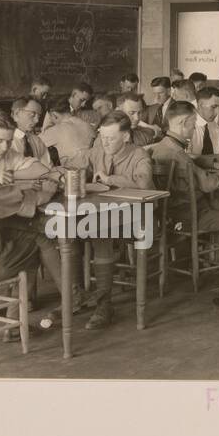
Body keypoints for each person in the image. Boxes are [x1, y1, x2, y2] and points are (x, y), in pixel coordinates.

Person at [150, 102, 219, 270]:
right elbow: (209, 184)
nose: (195, 128)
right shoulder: (178, 154)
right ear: (182, 123)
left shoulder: (164, 146)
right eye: (193, 123)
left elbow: (191, 160)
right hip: (194, 215)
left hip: (191, 208)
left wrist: (212, 161)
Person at [80, 112, 156, 330]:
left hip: (139, 219)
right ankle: (77, 295)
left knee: (99, 230)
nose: (104, 142)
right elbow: (74, 165)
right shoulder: (98, 152)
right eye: (102, 137)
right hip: (106, 215)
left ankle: (104, 304)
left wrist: (109, 179)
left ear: (126, 136)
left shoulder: (139, 154)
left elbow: (144, 185)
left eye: (110, 138)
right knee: (71, 231)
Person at [0, 129, 57, 284]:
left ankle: (6, 306)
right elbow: (19, 201)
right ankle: (21, 307)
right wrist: (47, 193)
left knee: (19, 237)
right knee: (36, 244)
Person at [39, 97, 95, 169]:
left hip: (72, 174)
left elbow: (33, 144)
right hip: (92, 171)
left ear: (55, 115)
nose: (51, 120)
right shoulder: (87, 125)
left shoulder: (57, 130)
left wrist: (45, 127)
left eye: (50, 117)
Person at [6, 97, 53, 168]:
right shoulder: (5, 141)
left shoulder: (37, 141)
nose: (37, 120)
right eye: (32, 115)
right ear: (16, 115)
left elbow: (48, 167)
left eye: (39, 116)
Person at [189, 86, 219, 158]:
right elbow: (186, 156)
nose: (217, 112)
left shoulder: (215, 127)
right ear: (200, 105)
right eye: (214, 107)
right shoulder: (188, 126)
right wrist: (216, 158)